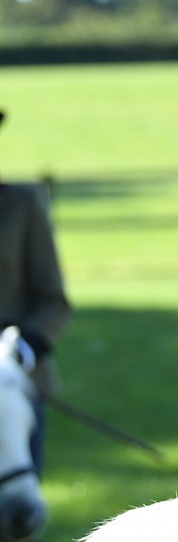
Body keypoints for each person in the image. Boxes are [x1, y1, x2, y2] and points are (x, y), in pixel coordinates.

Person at [0, 109, 72, 473]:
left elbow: (53, 302)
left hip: (12, 385)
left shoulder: (22, 204)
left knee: (16, 513)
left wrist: (21, 347)